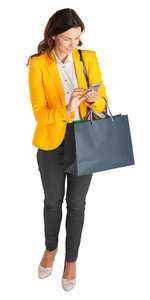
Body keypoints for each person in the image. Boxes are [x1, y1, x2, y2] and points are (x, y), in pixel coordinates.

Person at [27, 8, 108, 292]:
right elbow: (40, 113)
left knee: (76, 204)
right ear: (53, 36)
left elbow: (102, 103)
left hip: (84, 139)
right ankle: (51, 249)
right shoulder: (38, 64)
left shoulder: (89, 58)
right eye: (67, 39)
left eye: (77, 38)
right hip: (50, 141)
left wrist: (94, 100)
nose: (74, 45)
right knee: (52, 201)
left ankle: (70, 260)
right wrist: (68, 108)